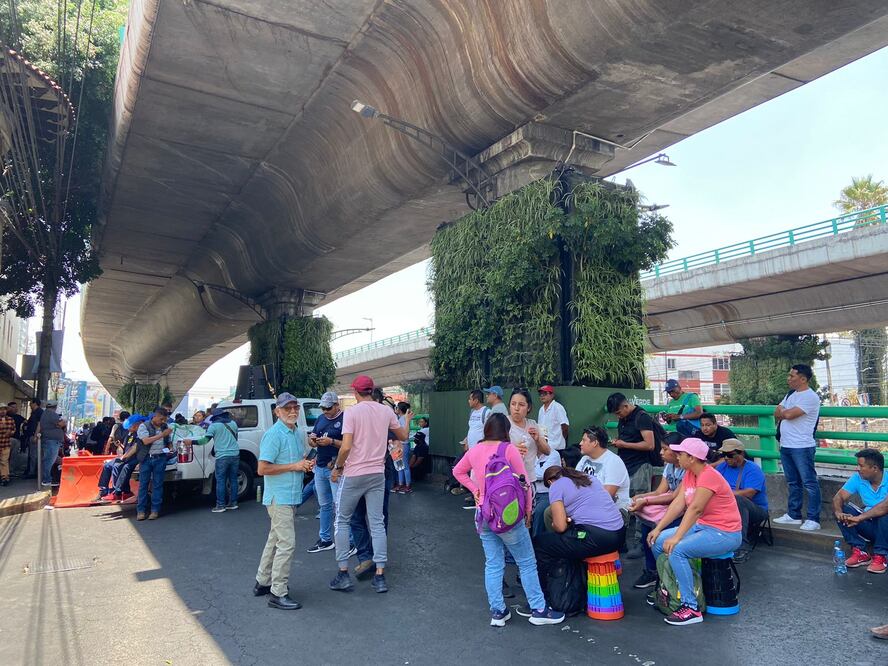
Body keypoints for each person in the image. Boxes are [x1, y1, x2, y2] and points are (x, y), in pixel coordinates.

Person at [453, 412, 565, 627]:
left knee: (493, 564)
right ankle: (539, 609)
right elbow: (524, 483)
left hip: (484, 513)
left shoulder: (475, 450)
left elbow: (458, 471)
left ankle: (498, 612)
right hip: (508, 515)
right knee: (527, 562)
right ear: (506, 430)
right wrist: (528, 510)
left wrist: (475, 490)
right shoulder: (508, 449)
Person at [330, 375, 411, 594]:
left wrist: (337, 468)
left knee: (342, 521)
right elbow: (403, 436)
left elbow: (346, 447)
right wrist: (407, 419)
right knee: (377, 523)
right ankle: (380, 576)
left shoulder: (352, 413)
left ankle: (343, 573)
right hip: (377, 474)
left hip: (354, 474)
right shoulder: (386, 411)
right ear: (371, 390)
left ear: (355, 392)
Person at [649, 437, 742, 626]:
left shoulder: (709, 476)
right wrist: (658, 528)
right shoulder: (690, 474)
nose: (677, 456)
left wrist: (677, 537)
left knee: (677, 550)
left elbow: (696, 509)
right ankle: (669, 588)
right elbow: (678, 504)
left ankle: (691, 607)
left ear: (691, 458)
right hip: (703, 526)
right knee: (657, 542)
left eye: (680, 454)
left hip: (725, 533)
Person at [530, 466, 626, 606]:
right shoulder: (588, 478)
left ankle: (544, 597)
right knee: (570, 538)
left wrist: (555, 524)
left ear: (550, 482)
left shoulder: (556, 486)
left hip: (596, 538)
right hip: (619, 534)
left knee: (540, 544)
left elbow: (560, 526)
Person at [254, 393, 314, 610]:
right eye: (287, 408)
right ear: (277, 412)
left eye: (295, 408)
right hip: (279, 497)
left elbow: (297, 460)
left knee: (275, 539)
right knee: (286, 544)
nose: (293, 411)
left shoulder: (296, 432)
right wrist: (295, 466)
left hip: (290, 495)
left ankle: (263, 581)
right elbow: (262, 469)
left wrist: (305, 464)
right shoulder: (273, 435)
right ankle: (278, 592)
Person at [629, 433, 686, 589]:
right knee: (647, 526)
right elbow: (659, 492)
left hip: (683, 510)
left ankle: (664, 574)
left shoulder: (688, 470)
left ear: (677, 451)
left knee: (658, 535)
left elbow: (674, 497)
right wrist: (640, 496)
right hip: (671, 505)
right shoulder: (669, 466)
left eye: (665, 449)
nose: (661, 452)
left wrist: (645, 501)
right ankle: (652, 570)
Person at [773, 364, 822, 531]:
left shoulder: (810, 397)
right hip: (786, 444)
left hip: (802, 446)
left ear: (803, 379)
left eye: (792, 376)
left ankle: (814, 519)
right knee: (793, 482)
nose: (788, 379)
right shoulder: (791, 394)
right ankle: (794, 515)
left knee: (809, 482)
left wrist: (784, 411)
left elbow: (787, 414)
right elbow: (777, 412)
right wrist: (784, 411)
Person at [607, 393, 657, 556]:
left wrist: (625, 444)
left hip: (640, 465)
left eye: (618, 412)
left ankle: (640, 543)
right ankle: (621, 540)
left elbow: (649, 444)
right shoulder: (624, 418)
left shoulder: (642, 417)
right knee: (622, 502)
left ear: (625, 406)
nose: (618, 416)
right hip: (625, 465)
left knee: (640, 505)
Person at [833, 448, 888, 574]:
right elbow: (838, 497)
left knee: (885, 515)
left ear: (875, 468)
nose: (857, 468)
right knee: (841, 510)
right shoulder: (858, 478)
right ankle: (860, 551)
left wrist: (859, 518)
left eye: (861, 466)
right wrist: (839, 513)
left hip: (885, 526)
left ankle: (881, 556)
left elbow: (885, 506)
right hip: (870, 524)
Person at [714, 439, 769, 563]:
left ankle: (742, 547)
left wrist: (723, 494)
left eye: (730, 455)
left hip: (755, 509)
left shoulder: (753, 469)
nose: (726, 458)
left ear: (741, 454)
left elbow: (749, 493)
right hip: (725, 504)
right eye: (724, 455)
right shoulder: (722, 467)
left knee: (739, 500)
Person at [306, 391, 344, 553]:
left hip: (336, 467)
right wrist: (312, 440)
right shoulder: (321, 418)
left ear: (337, 405)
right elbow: (312, 440)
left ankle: (348, 541)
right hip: (320, 466)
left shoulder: (345, 419)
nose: (325, 411)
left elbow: (349, 445)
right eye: (323, 408)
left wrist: (331, 442)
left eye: (328, 408)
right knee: (324, 506)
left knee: (340, 506)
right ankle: (325, 539)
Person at [574, 426, 630, 511]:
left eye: (584, 440)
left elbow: (606, 497)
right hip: (586, 506)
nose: (580, 443)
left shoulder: (613, 461)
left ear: (595, 443)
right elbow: (574, 485)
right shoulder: (584, 459)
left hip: (613, 511)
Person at [93, 414, 144, 502]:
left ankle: (116, 492)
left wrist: (124, 456)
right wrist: (120, 445)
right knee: (107, 465)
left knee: (117, 466)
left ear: (136, 425)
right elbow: (127, 447)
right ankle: (103, 490)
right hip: (125, 457)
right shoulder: (129, 434)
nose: (128, 429)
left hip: (133, 458)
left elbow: (134, 448)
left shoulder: (140, 434)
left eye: (130, 427)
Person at [136, 408, 174, 521]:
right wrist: (162, 435)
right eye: (161, 419)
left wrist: (170, 448)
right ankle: (141, 511)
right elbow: (145, 441)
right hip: (146, 458)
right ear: (155, 416)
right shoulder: (144, 426)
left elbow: (168, 441)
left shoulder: (164, 427)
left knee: (157, 485)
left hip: (160, 458)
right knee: (143, 485)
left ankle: (155, 510)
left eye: (164, 419)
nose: (162, 421)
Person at [508, 388, 551, 483]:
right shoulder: (503, 423)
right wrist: (512, 450)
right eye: (513, 404)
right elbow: (493, 451)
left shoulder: (533, 424)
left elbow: (547, 451)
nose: (516, 408)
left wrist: (537, 439)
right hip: (509, 480)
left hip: (529, 479)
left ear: (529, 407)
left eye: (521, 405)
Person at [207, 407, 239, 513]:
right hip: (235, 454)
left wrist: (191, 442)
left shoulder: (213, 426)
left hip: (222, 456)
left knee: (221, 480)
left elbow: (205, 440)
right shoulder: (233, 423)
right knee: (233, 479)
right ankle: (233, 503)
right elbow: (236, 438)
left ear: (215, 417)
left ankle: (221, 505)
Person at [531, 447, 562, 537]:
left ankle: (537, 540)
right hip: (529, 492)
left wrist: (527, 470)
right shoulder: (527, 453)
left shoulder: (553, 454)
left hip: (547, 493)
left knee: (539, 511)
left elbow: (544, 474)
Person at [37, 399, 66, 486]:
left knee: (53, 459)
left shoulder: (46, 414)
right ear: (55, 407)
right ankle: (46, 480)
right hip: (51, 441)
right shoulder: (51, 414)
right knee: (49, 460)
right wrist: (63, 421)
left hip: (50, 440)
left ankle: (51, 477)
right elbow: (61, 424)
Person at [537, 385, 570, 451]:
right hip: (545, 446)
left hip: (556, 447)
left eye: (545, 393)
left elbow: (565, 426)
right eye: (540, 394)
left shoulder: (557, 407)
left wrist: (560, 440)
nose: (542, 396)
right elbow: (540, 427)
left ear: (552, 395)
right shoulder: (541, 409)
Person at [392, 401, 413, 494]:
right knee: (400, 465)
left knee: (404, 466)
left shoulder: (403, 419)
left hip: (403, 444)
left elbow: (405, 433)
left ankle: (407, 485)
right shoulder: (401, 418)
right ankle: (401, 484)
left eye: (396, 407)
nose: (395, 409)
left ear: (399, 410)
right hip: (400, 444)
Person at [23, 398, 43, 478]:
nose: (29, 405)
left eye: (31, 403)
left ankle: (32, 472)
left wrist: (35, 436)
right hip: (30, 435)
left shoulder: (39, 412)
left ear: (35, 403)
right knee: (31, 454)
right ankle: (30, 470)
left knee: (33, 455)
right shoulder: (33, 412)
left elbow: (39, 424)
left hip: (34, 436)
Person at [0, 404, 16, 485]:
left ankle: (5, 477)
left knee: (4, 461)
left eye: (4, 409)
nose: (2, 411)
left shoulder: (10, 419)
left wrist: (11, 433)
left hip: (6, 443)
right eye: (1, 409)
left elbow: (14, 429)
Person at [7, 401, 25, 475]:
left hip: (16, 439)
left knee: (14, 456)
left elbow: (26, 422)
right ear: (9, 408)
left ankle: (10, 471)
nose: (16, 409)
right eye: (14, 407)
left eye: (16, 407)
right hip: (6, 439)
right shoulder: (4, 416)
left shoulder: (18, 417)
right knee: (5, 456)